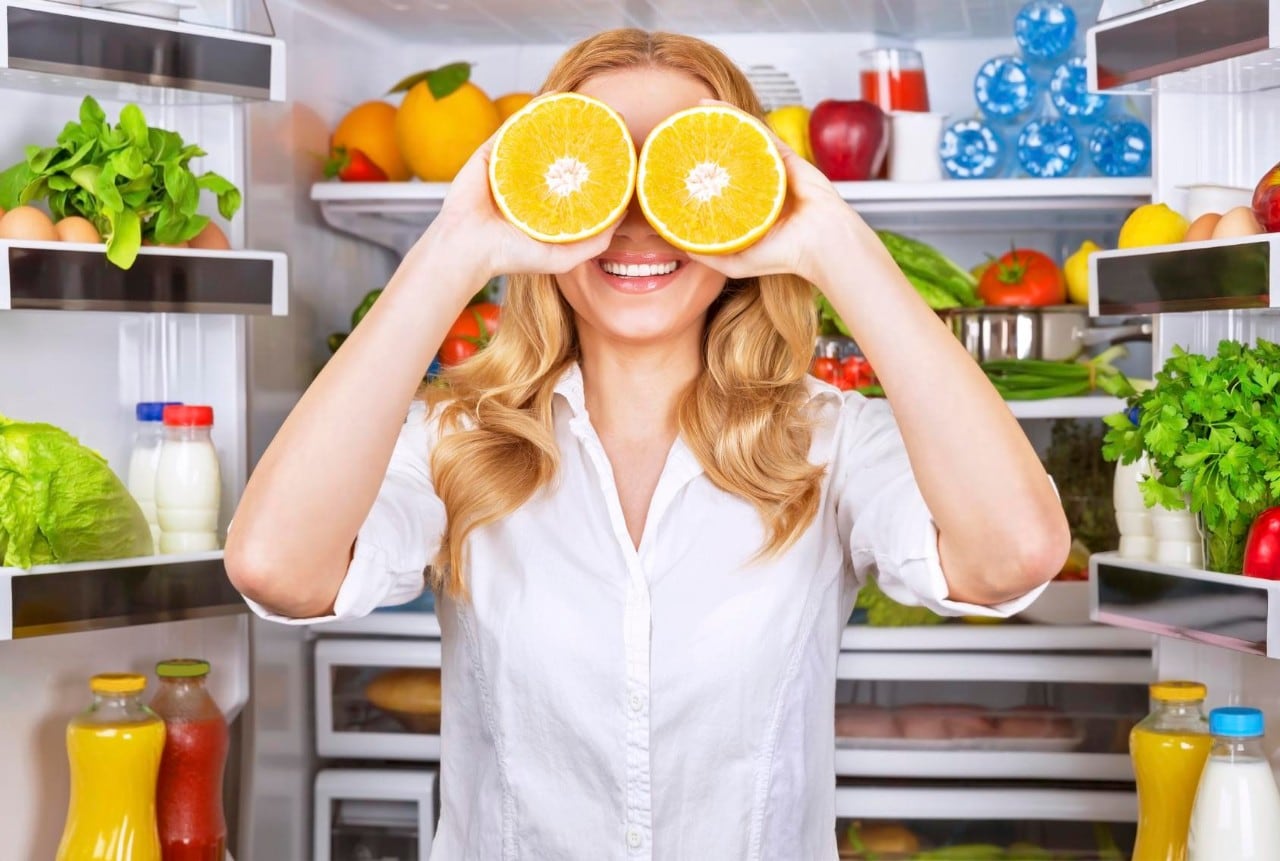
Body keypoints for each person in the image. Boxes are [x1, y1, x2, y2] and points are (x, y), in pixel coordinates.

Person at [228, 28, 1068, 860]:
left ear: (751, 190)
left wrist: (837, 243)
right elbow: (277, 568)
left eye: (676, 173)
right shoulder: (459, 441)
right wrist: (455, 243)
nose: (634, 221)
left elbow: (1016, 555)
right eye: (601, 172)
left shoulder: (826, 442)